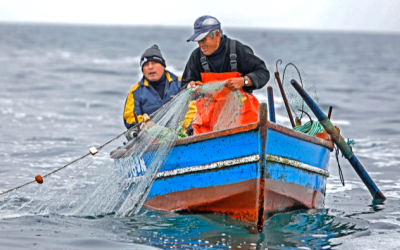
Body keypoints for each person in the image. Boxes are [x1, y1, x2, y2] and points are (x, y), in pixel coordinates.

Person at [180, 15, 270, 135]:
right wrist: (190, 87)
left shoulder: (237, 50)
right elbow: (184, 85)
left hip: (244, 123)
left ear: (217, 35)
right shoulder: (196, 57)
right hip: (208, 126)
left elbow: (263, 72)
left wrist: (244, 81)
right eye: (198, 41)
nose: (200, 44)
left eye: (204, 39)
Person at [123, 44, 181, 130]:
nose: (150, 67)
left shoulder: (181, 83)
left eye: (154, 63)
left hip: (182, 134)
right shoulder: (135, 92)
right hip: (149, 138)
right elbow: (129, 118)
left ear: (164, 66)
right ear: (142, 71)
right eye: (146, 65)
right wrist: (145, 123)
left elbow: (193, 108)